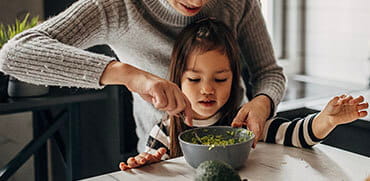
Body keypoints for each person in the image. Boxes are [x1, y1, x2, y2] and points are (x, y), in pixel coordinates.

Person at [0, 0, 286, 152]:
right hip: (162, 160)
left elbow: (269, 73)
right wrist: (127, 75)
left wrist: (262, 102)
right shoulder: (119, 4)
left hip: (239, 150)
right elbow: (14, 54)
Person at [119, 18, 368, 170]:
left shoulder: (243, 123)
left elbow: (295, 135)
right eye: (194, 79)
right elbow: (150, 162)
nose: (207, 88)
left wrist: (326, 120)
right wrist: (145, 164)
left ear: (235, 79)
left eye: (220, 79)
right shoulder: (165, 130)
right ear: (177, 80)